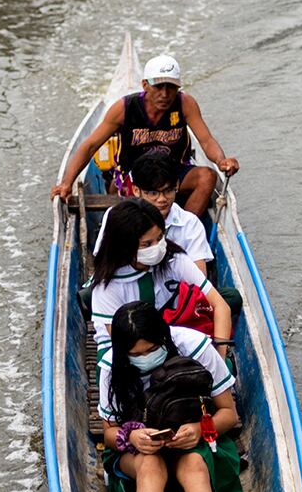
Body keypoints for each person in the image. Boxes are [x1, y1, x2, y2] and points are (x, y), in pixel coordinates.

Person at [100, 302, 241, 492]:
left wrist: (198, 429)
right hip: (140, 451)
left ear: (164, 337)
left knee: (194, 464)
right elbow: (109, 433)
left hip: (192, 441)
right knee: (150, 464)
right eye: (135, 355)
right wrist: (133, 437)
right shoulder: (110, 367)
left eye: (152, 349)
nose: (144, 358)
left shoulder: (195, 347)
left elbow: (228, 413)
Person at [51, 53, 238, 217]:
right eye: (158, 87)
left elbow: (206, 141)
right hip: (134, 176)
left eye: (171, 87)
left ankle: (183, 231)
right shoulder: (124, 109)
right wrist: (67, 183)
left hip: (173, 172)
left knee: (207, 177)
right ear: (145, 85)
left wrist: (221, 161)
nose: (165, 94)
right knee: (127, 196)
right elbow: (90, 145)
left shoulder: (185, 104)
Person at [88, 198, 232, 365]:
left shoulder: (174, 260)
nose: (157, 247)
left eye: (160, 238)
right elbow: (130, 344)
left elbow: (220, 305)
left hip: (168, 336)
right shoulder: (108, 285)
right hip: (129, 351)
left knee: (223, 364)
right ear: (125, 246)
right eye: (147, 244)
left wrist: (220, 354)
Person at [92, 147, 212, 280]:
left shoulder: (190, 223)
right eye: (153, 193)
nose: (162, 199)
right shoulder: (116, 216)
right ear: (136, 190)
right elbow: (103, 264)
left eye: (168, 191)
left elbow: (200, 278)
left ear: (177, 185)